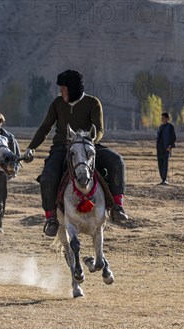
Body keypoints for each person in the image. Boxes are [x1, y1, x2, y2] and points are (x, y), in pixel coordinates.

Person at [24, 69, 128, 237]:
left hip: (88, 146)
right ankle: (51, 218)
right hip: (61, 148)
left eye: (64, 88)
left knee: (117, 161)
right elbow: (45, 127)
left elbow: (99, 129)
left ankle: (117, 206)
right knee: (48, 176)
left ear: (73, 89)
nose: (61, 91)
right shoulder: (57, 103)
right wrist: (31, 147)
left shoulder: (93, 103)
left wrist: (89, 143)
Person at [0, 112, 20, 233]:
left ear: (2, 122)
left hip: (0, 172)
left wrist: (12, 171)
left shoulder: (8, 137)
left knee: (0, 199)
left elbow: (15, 156)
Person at [156, 112, 176, 185]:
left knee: (165, 165)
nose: (162, 119)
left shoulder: (170, 127)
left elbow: (173, 137)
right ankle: (162, 179)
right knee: (160, 165)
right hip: (159, 149)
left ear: (167, 118)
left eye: (163, 118)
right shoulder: (161, 127)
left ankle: (164, 180)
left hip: (166, 148)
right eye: (162, 118)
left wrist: (170, 146)